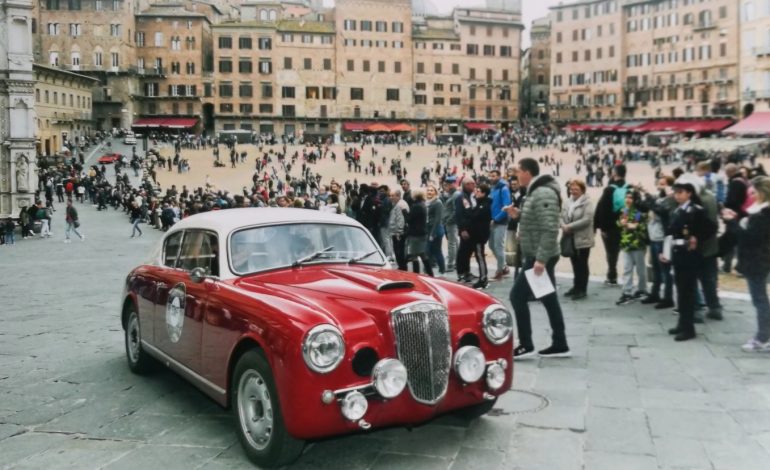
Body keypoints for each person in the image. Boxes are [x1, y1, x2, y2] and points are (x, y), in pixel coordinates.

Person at [506, 158, 570, 359]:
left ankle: (526, 343)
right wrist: (519, 215)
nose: (516, 176)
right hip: (537, 253)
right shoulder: (536, 192)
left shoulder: (542, 192)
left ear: (527, 172)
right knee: (548, 298)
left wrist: (541, 260)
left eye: (518, 171)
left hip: (539, 255)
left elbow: (550, 228)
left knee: (517, 296)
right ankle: (560, 342)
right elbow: (538, 219)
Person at [662, 176, 717, 342]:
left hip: (690, 254)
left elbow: (711, 228)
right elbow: (672, 231)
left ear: (689, 193)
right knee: (681, 290)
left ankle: (689, 328)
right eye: (676, 192)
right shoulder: (679, 210)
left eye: (680, 193)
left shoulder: (695, 210)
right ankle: (682, 323)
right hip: (678, 252)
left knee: (688, 291)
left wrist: (696, 238)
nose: (677, 196)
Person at [723, 176, 770, 352]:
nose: (750, 193)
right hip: (757, 259)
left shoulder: (763, 215)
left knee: (760, 300)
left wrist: (732, 222)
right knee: (760, 299)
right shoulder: (761, 213)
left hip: (756, 260)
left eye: (754, 190)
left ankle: (763, 337)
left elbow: (748, 238)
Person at [640, 175, 677, 309]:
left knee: (665, 270)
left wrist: (649, 198)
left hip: (662, 238)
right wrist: (642, 193)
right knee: (655, 268)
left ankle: (668, 297)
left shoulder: (671, 199)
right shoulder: (659, 197)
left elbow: (660, 210)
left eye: (663, 184)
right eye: (659, 183)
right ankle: (655, 293)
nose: (660, 186)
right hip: (654, 236)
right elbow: (644, 206)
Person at [594, 164, 628, 286]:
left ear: (614, 173)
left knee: (611, 253)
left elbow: (602, 210)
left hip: (611, 227)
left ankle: (612, 276)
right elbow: (638, 209)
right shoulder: (630, 188)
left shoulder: (609, 189)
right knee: (627, 253)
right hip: (627, 226)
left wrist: (601, 227)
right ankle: (628, 280)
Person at [560, 179, 594, 300]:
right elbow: (561, 215)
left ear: (582, 190)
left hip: (583, 238)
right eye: (571, 189)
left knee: (582, 264)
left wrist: (569, 226)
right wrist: (563, 225)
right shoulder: (567, 202)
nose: (573, 191)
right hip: (570, 237)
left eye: (576, 189)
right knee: (574, 263)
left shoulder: (587, 202)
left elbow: (587, 219)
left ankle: (582, 289)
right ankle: (575, 286)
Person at [616, 190, 648, 305]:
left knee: (640, 269)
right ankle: (627, 292)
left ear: (635, 200)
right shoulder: (624, 210)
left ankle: (642, 289)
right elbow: (619, 223)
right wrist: (621, 223)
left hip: (637, 244)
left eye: (630, 198)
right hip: (626, 244)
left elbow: (641, 226)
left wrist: (633, 226)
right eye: (626, 197)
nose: (627, 200)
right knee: (627, 269)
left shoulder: (638, 213)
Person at [488, 169, 511, 280]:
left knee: (498, 246)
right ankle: (504, 266)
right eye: (490, 176)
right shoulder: (493, 189)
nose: (492, 178)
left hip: (500, 222)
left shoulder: (504, 188)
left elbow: (506, 207)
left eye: (494, 176)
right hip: (492, 221)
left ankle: (499, 271)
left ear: (499, 176)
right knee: (491, 245)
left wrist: (496, 219)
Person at [469, 183, 492, 289]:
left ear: (484, 193)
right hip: (476, 234)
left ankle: (483, 279)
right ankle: (483, 277)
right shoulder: (479, 203)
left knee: (480, 256)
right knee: (479, 256)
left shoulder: (485, 205)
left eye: (478, 191)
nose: (476, 193)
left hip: (480, 234)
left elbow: (475, 216)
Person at [405, 189, 433, 276]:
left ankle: (416, 274)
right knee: (422, 253)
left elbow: (409, 219)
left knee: (414, 255)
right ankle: (430, 273)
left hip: (415, 233)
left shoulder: (416, 206)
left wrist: (404, 212)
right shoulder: (423, 204)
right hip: (422, 232)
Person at [455, 178, 477, 283]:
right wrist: (462, 229)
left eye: (473, 183)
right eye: (471, 184)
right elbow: (459, 215)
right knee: (463, 251)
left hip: (472, 228)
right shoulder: (461, 197)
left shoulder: (470, 196)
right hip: (465, 229)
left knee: (468, 251)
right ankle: (461, 272)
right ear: (466, 185)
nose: (473, 185)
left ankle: (467, 271)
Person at [425, 185, 446, 274]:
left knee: (435, 250)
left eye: (431, 190)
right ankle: (429, 269)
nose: (429, 192)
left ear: (435, 192)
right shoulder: (427, 202)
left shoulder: (438, 202)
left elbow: (438, 219)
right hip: (429, 229)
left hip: (436, 230)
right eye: (428, 190)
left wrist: (432, 234)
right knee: (430, 250)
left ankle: (441, 269)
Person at [442, 176, 460, 272]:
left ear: (454, 183)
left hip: (452, 223)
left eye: (450, 184)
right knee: (455, 243)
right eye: (447, 184)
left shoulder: (455, 194)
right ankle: (456, 262)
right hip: (450, 222)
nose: (448, 186)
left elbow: (455, 210)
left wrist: (448, 220)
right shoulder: (451, 194)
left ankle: (451, 264)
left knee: (452, 243)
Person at [388, 189, 408, 270]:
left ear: (398, 196)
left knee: (399, 251)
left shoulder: (399, 205)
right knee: (398, 251)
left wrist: (398, 232)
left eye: (393, 196)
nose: (391, 197)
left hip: (398, 233)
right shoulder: (397, 204)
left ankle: (402, 267)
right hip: (396, 232)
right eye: (390, 196)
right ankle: (402, 266)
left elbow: (400, 220)